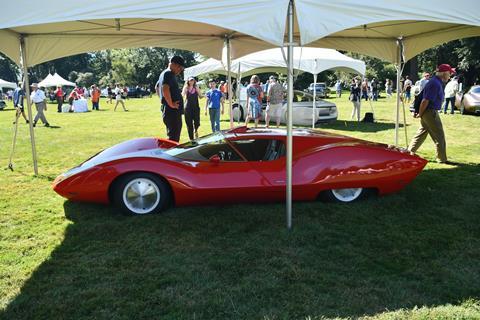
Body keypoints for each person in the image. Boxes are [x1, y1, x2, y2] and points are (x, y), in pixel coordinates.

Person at [408, 64, 455, 164]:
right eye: (449, 73)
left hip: (428, 112)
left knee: (421, 133)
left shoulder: (435, 82)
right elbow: (425, 100)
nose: (450, 76)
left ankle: (409, 152)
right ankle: (442, 159)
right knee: (439, 136)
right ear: (444, 73)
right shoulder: (435, 83)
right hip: (430, 112)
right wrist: (420, 113)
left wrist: (421, 113)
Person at [158, 55, 185, 142]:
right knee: (173, 138)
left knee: (172, 136)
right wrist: (171, 104)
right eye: (179, 68)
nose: (180, 71)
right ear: (173, 64)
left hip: (169, 110)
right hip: (172, 111)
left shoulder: (163, 73)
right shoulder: (168, 73)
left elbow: (157, 87)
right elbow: (165, 88)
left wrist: (163, 100)